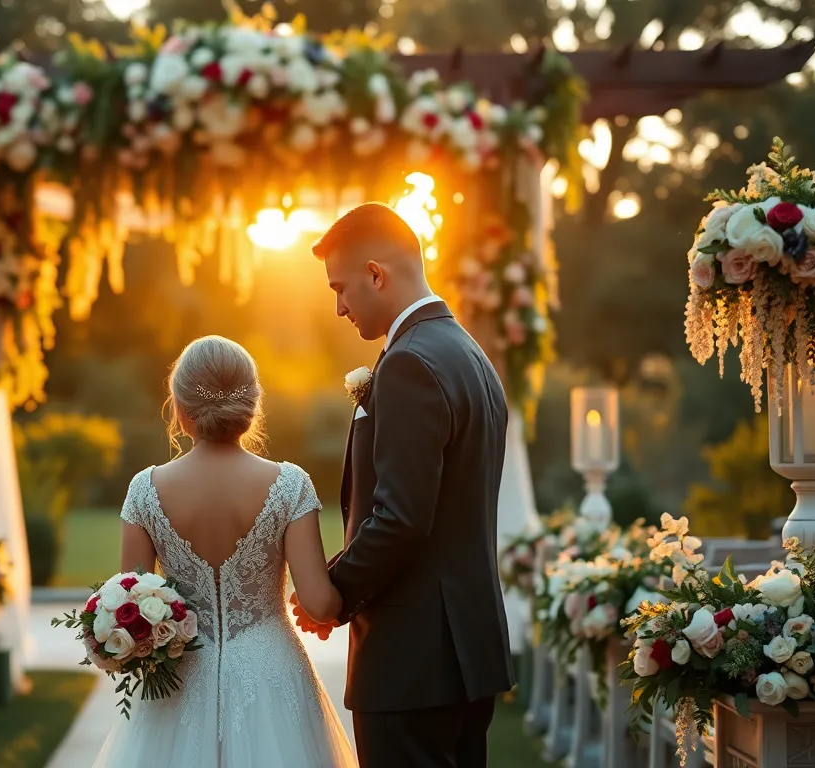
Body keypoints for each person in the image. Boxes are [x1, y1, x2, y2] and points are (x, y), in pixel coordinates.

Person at [297, 202, 514, 768]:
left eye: (341, 288)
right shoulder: (469, 353)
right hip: (468, 651)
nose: (339, 307)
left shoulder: (409, 363)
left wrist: (331, 594)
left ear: (377, 274)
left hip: (412, 660)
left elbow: (400, 517)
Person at [93, 335, 357, 767]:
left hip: (179, 681)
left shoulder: (145, 490)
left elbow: (134, 605)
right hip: (272, 675)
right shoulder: (290, 485)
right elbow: (320, 603)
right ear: (252, 407)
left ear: (180, 411)